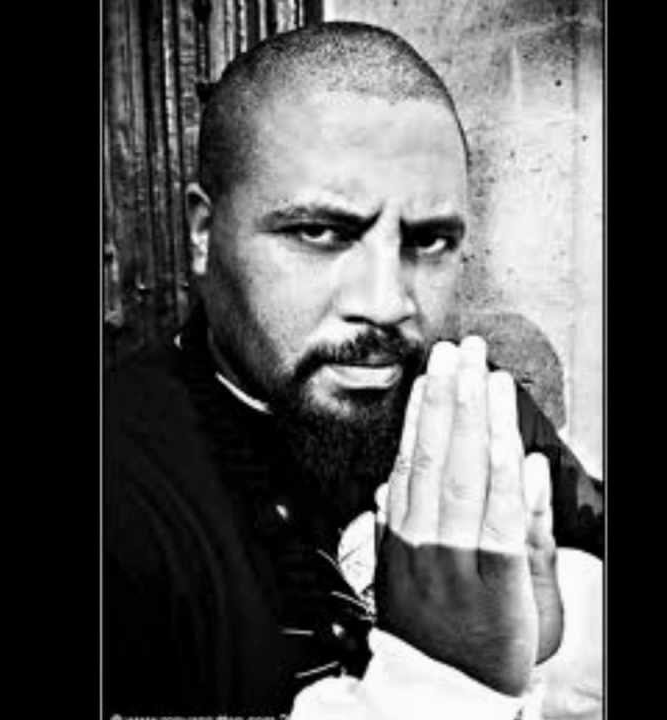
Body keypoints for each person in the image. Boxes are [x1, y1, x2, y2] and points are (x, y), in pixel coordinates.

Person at [103, 20, 604, 720]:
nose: (387, 303)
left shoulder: (468, 406)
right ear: (203, 233)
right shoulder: (119, 481)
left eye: (429, 240)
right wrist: (440, 683)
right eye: (320, 232)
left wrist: (556, 637)